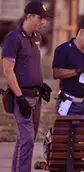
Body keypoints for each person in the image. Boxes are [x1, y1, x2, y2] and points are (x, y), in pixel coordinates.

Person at [1, 1, 52, 171]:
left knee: (27, 140)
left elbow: (31, 66)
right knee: (27, 138)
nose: (43, 22)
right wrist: (20, 97)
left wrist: (42, 85)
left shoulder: (36, 37)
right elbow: (8, 71)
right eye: (40, 18)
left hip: (36, 97)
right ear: (28, 16)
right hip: (22, 97)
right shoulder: (13, 38)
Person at [52, 21, 84, 116]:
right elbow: (56, 73)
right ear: (81, 33)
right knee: (65, 130)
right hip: (70, 102)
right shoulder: (64, 49)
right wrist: (77, 71)